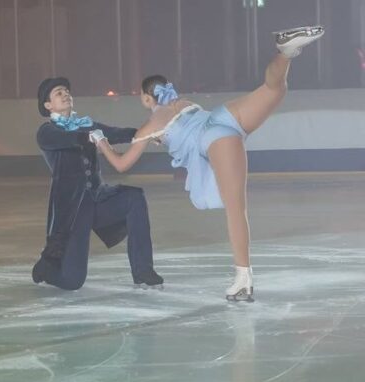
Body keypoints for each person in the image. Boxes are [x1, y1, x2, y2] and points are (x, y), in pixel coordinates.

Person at [92, 25, 325, 301]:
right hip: (224, 116)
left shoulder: (148, 127)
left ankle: (243, 280)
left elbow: (121, 165)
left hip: (213, 138)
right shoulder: (181, 101)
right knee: (274, 88)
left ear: (145, 97)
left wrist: (101, 142)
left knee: (236, 209)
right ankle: (286, 52)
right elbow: (179, 125)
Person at [32, 77, 163, 291]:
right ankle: (46, 269)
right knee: (72, 281)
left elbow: (116, 133)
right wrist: (89, 136)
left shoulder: (86, 124)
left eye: (66, 90)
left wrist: (144, 135)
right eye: (58, 93)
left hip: (98, 199)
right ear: (48, 105)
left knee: (134, 198)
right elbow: (68, 139)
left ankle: (143, 271)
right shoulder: (46, 132)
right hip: (73, 211)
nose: (65, 94)